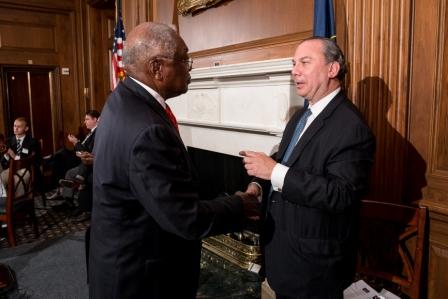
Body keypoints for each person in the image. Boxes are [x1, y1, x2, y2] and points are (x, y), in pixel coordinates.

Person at [89, 22, 258, 299]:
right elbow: (185, 219)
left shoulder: (121, 100)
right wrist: (242, 203)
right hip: (144, 279)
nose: (190, 67)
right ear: (157, 67)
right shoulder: (147, 129)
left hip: (119, 260)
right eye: (184, 59)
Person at [240, 37, 375, 298]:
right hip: (284, 254)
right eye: (293, 63)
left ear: (332, 69)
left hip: (315, 270)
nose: (294, 71)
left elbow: (340, 194)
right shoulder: (302, 115)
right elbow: (285, 159)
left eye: (304, 62)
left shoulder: (352, 127)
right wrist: (259, 184)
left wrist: (274, 172)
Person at [1, 117, 41, 191]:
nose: (15, 128)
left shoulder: (32, 142)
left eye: (19, 126)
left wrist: (13, 155)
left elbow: (34, 161)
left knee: (17, 180)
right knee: (1, 178)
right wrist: (6, 156)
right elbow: (3, 164)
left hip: (27, 170)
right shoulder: (8, 141)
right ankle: (4, 200)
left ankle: (19, 201)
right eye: (14, 126)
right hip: (12, 169)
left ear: (26, 128)